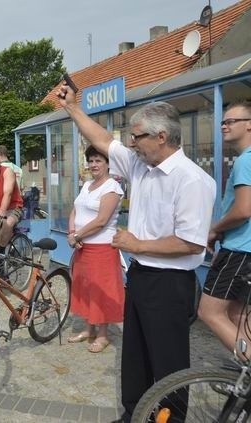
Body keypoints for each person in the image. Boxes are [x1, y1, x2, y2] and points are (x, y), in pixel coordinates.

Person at [58, 84, 216, 422]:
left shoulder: (192, 180)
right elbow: (102, 139)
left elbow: (191, 242)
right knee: (136, 356)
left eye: (137, 136)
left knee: (169, 362)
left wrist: (137, 245)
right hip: (141, 275)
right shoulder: (140, 164)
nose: (131, 143)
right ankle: (133, 414)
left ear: (161, 136)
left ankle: (169, 419)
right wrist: (73, 109)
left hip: (170, 282)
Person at [198, 101, 251, 353]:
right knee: (239, 315)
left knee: (210, 312)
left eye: (231, 121)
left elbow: (243, 210)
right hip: (245, 249)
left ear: (249, 125)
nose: (224, 125)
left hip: (239, 249)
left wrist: (215, 229)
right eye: (223, 121)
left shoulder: (245, 162)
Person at [67, 146, 124, 353]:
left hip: (101, 248)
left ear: (108, 163)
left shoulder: (112, 188)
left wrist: (78, 236)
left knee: (101, 290)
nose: (93, 165)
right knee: (85, 288)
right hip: (82, 246)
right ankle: (88, 329)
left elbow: (101, 221)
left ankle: (102, 335)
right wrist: (71, 232)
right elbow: (75, 209)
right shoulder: (88, 185)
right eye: (90, 161)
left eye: (98, 160)